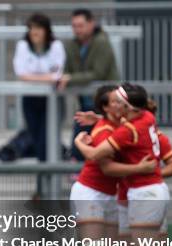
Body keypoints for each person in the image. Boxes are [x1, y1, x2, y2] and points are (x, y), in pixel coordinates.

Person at [74, 84, 172, 246]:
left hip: (112, 196)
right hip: (91, 191)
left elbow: (122, 122)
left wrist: (97, 116)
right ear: (107, 107)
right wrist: (79, 142)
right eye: (114, 102)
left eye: (122, 102)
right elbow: (103, 165)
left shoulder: (125, 124)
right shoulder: (107, 129)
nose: (119, 105)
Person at [59, 9, 119, 161]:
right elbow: (66, 69)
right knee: (81, 145)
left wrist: (70, 78)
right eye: (74, 26)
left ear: (92, 24)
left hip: (105, 104)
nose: (77, 30)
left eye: (81, 25)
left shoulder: (101, 42)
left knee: (99, 145)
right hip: (86, 103)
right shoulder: (73, 45)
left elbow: (97, 73)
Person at [13, 13, 65, 162]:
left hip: (52, 100)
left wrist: (36, 78)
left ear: (47, 30)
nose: (34, 32)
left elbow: (57, 74)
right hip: (31, 99)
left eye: (38, 28)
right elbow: (21, 73)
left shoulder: (56, 46)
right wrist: (47, 78)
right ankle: (43, 182)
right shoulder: (22, 46)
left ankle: (47, 182)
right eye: (31, 28)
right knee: (37, 141)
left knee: (47, 141)